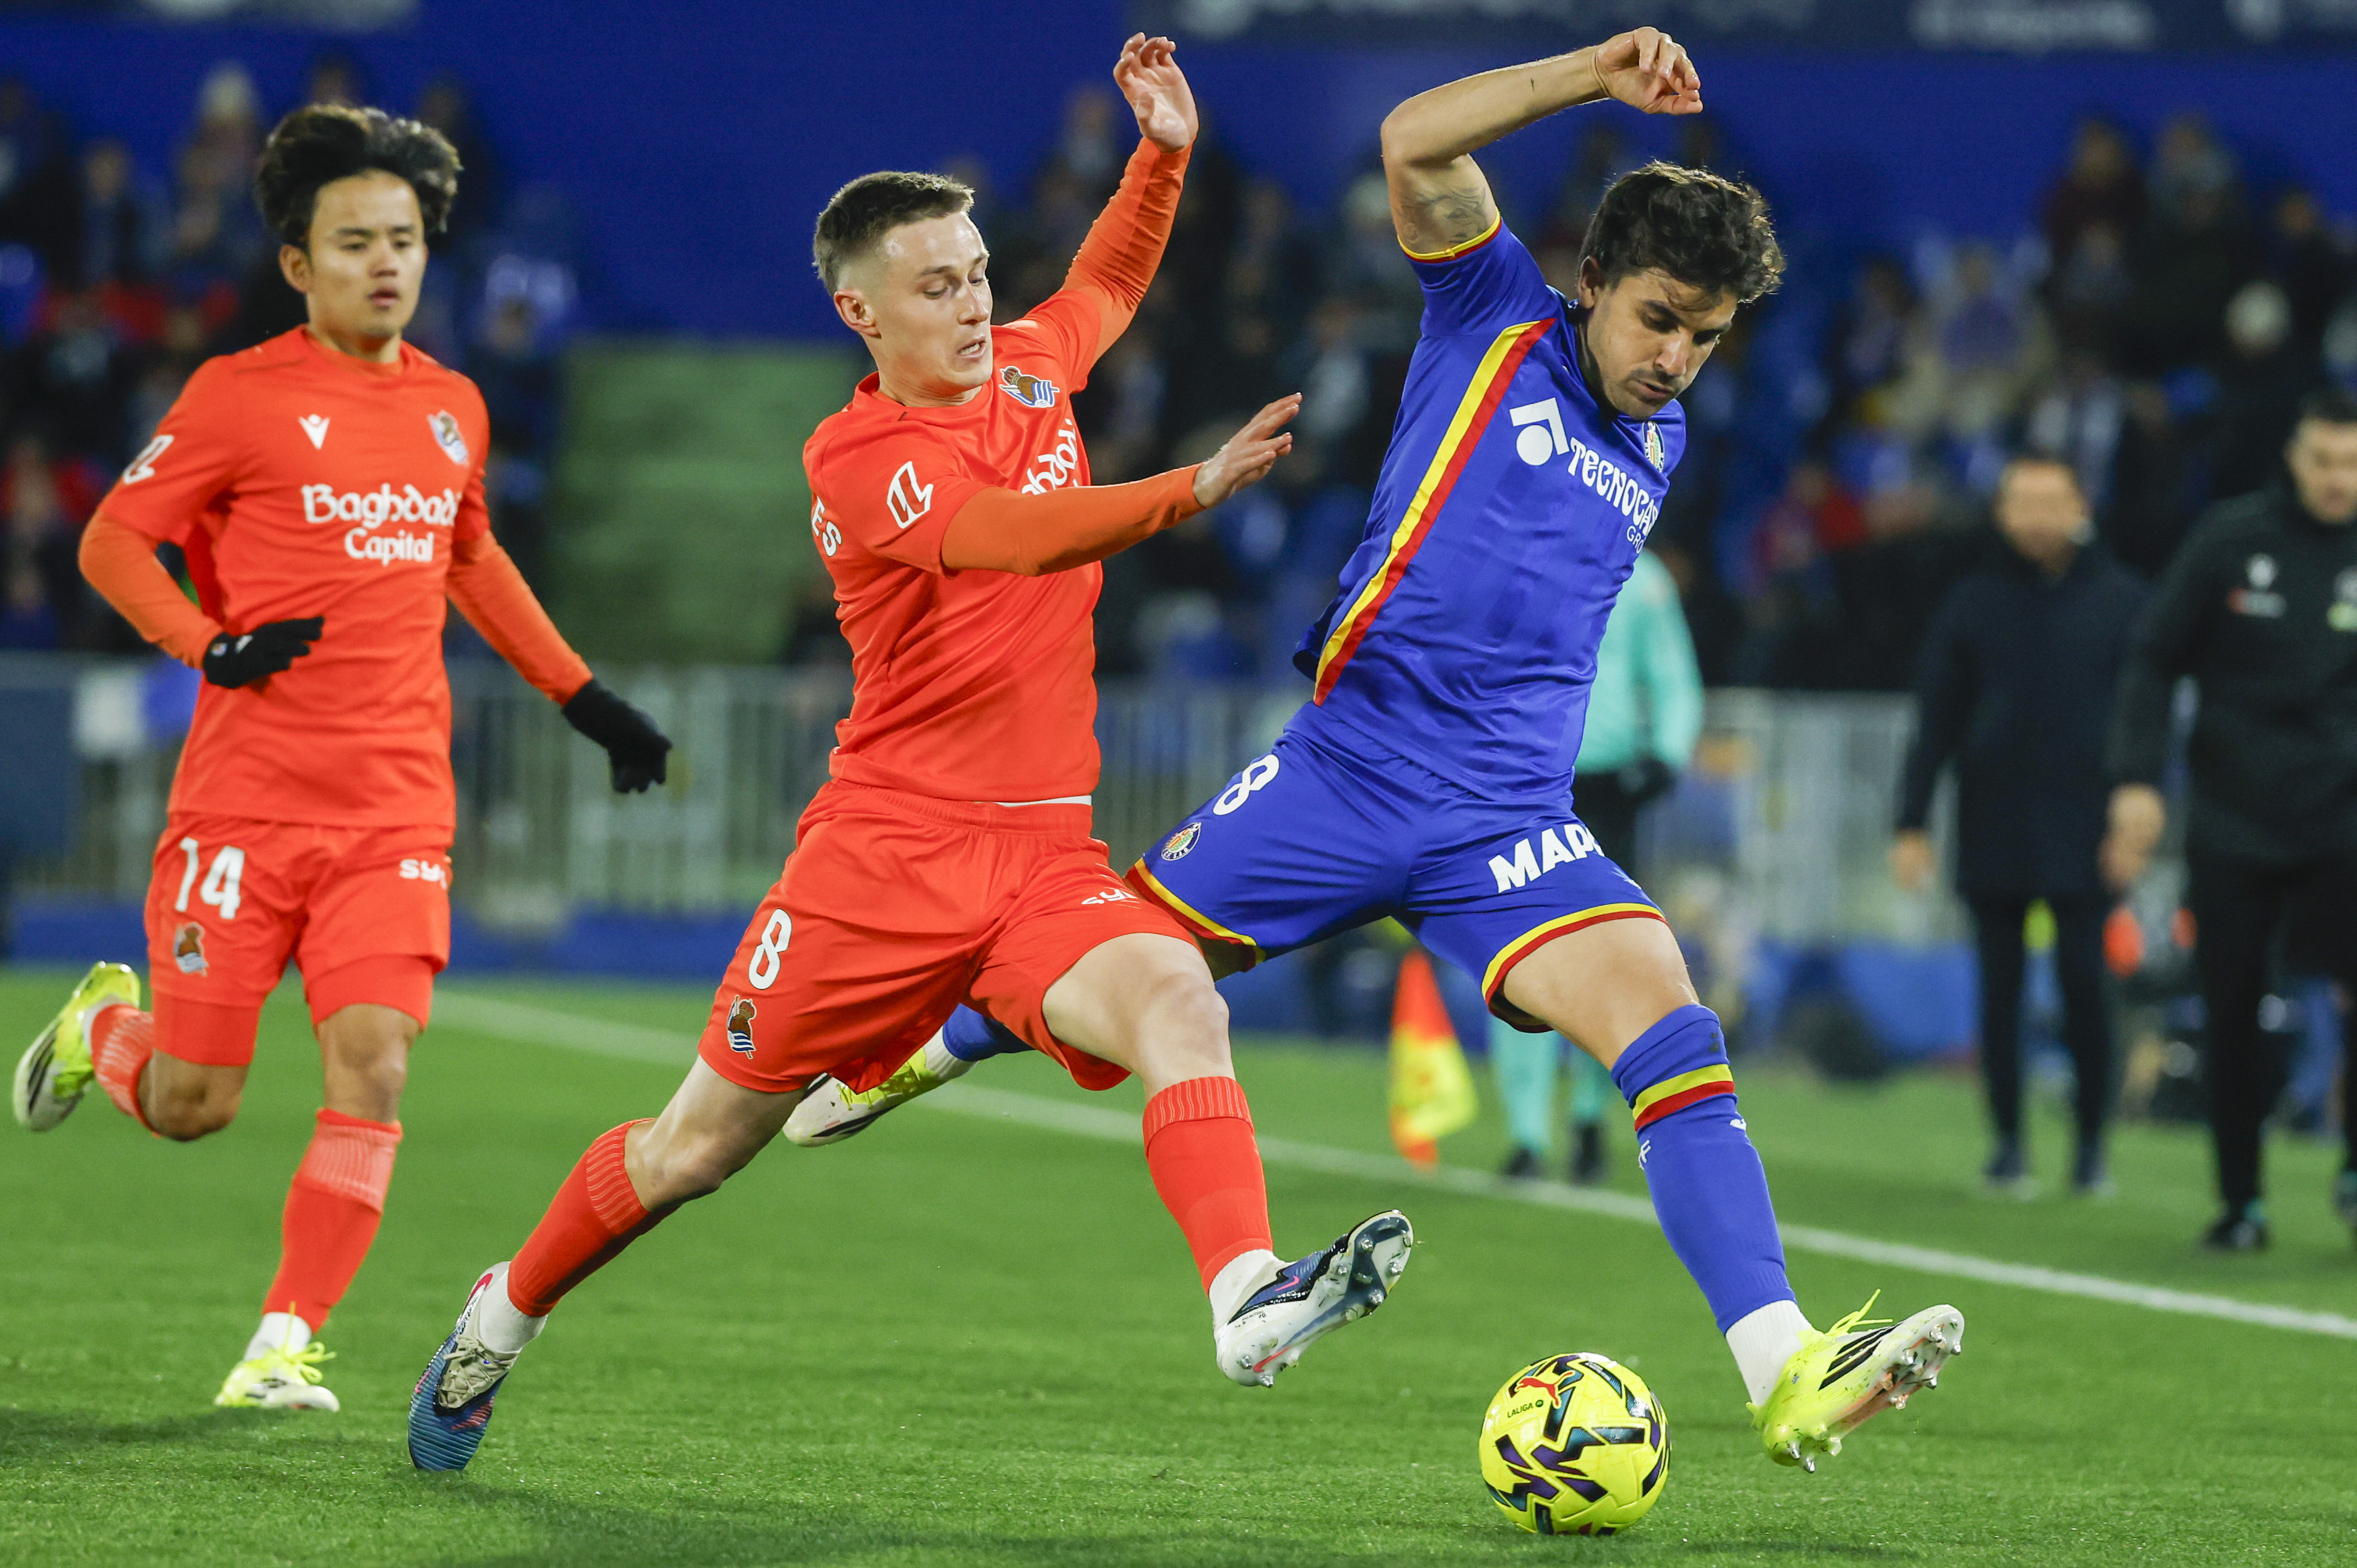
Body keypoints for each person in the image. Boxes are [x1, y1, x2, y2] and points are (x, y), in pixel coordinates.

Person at [785, 28, 1964, 1472]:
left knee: (1671, 1023)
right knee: (1112, 965)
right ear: (1590, 280)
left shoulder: (1657, 431)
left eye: (1708, 338)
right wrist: (1595, 70)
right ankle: (928, 1045)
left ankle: (1787, 1366)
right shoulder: (1494, 316)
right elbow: (1415, 139)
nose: (1677, 361)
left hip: (1509, 822)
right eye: (1659, 318)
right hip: (1347, 773)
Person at [404, 35, 1413, 1475]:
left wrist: (1166, 154)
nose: (977, 306)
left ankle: (1247, 1299)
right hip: (880, 863)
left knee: (1179, 998)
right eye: (938, 287)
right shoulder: (856, 455)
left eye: (982, 274)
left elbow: (1109, 284)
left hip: (1042, 856)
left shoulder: (1027, 368)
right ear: (859, 312)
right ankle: (500, 1316)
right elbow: (1001, 541)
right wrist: (1181, 489)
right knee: (690, 1153)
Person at [10, 106, 672, 1412]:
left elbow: (471, 559)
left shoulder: (452, 407)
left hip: (394, 811)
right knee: (197, 1101)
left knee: (373, 1058)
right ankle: (106, 1027)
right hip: (242, 811)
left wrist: (584, 697)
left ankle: (283, 1343)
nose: (387, 262)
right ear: (298, 264)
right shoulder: (235, 397)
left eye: (407, 240)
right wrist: (208, 648)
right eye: (355, 240)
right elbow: (109, 543)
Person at [2106, 388, 2357, 1251]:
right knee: (2233, 1008)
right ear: (2294, 456)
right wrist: (2138, 781)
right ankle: (2241, 1201)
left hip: (2344, 820)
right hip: (2234, 817)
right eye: (2325, 459)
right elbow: (2153, 657)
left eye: (2353, 463)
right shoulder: (2230, 540)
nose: (2339, 478)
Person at [1892, 455, 2147, 1196]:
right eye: (2022, 502)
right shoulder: (1972, 603)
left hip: (2087, 830)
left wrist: (2139, 807)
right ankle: (2008, 1143)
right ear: (2002, 512)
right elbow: (1934, 720)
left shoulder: (2125, 602)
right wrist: (1910, 822)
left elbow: (2147, 720)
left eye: (2052, 500)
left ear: (2081, 505)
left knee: (2084, 988)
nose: (2037, 517)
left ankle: (2092, 1143)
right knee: (1997, 992)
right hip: (1993, 824)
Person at [1495, 545, 1701, 1183]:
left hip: (1608, 788)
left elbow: (1671, 674)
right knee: (1512, 958)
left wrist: (1666, 754)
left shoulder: (1642, 580)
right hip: (1520, 781)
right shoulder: (1517, 562)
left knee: (1606, 959)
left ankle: (1587, 1116)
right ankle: (1527, 1131)